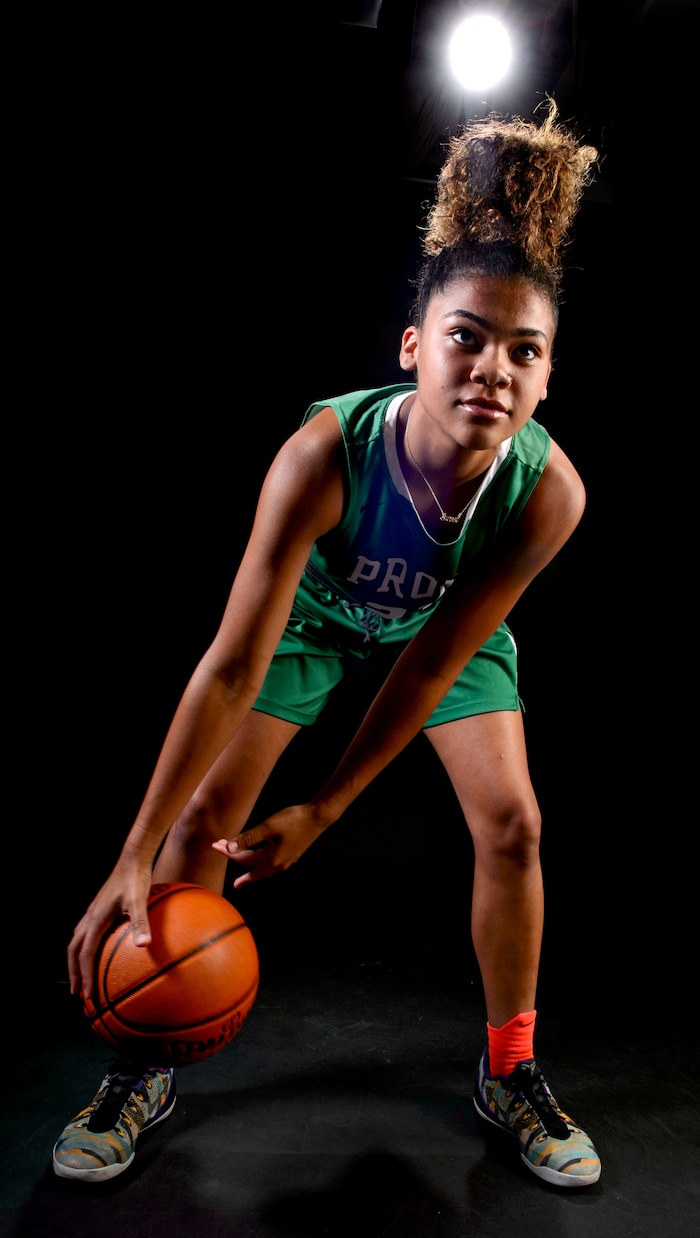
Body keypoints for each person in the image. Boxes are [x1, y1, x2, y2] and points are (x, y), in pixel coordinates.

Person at [53, 101, 602, 1189]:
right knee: (202, 823)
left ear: (545, 380)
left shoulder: (548, 495)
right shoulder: (321, 454)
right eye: (465, 337)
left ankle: (511, 1067)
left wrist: (326, 806)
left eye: (521, 351)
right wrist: (131, 849)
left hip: (439, 633)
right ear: (412, 349)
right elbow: (228, 664)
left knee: (514, 824)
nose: (491, 366)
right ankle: (141, 1053)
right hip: (315, 612)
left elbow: (436, 661)